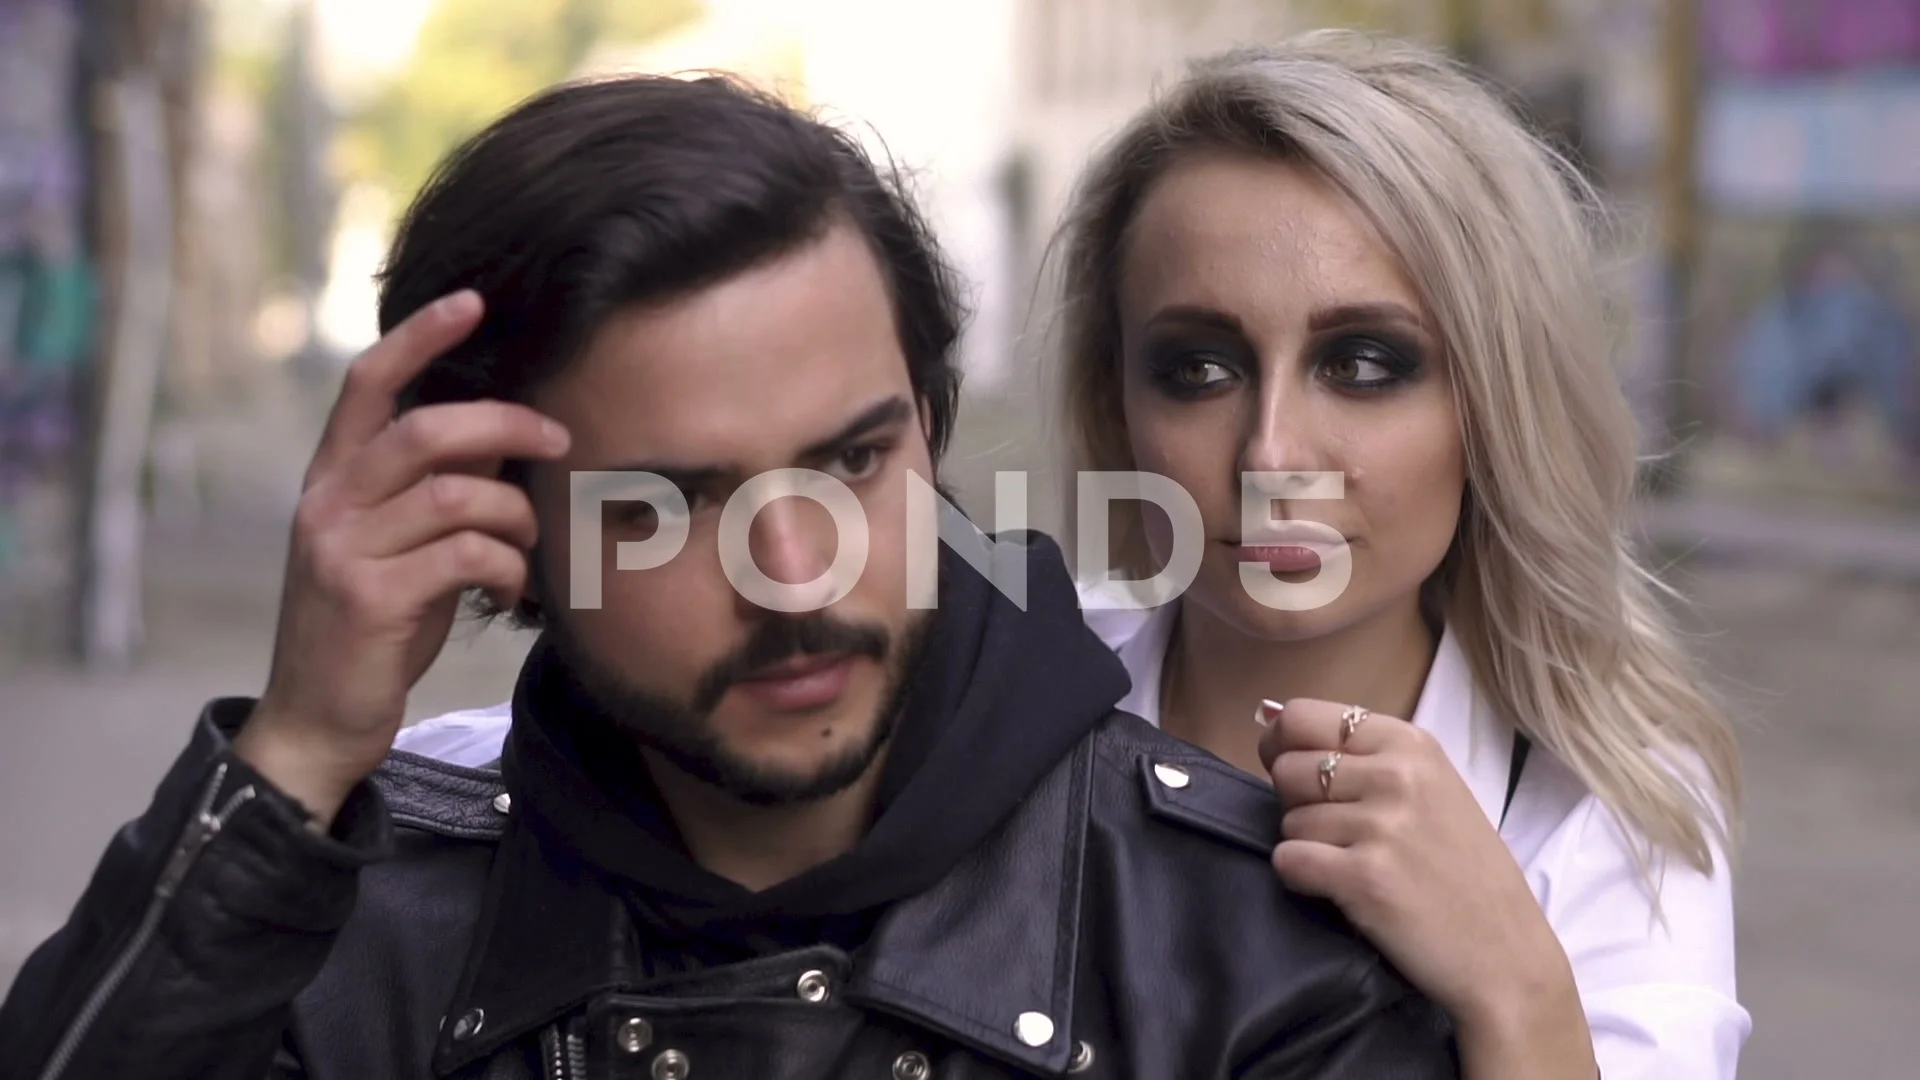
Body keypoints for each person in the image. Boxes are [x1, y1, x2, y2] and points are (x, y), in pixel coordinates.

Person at [0, 73, 1463, 1080]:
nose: (792, 574)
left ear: (931, 436)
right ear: (499, 530)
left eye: (847, 463)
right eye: (670, 506)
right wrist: (303, 749)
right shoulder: (356, 937)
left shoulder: (1253, 948)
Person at [1051, 32, 1748, 1080]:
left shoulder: (1602, 800)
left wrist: (1516, 987)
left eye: (1364, 362)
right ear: (1118, 408)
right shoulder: (1013, 707)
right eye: (1198, 366)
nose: (1273, 453)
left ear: (1492, 401)